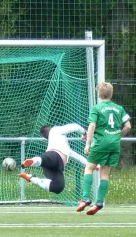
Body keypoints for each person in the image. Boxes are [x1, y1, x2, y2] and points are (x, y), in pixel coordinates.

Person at [76, 82, 131, 215]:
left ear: (99, 94)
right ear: (111, 94)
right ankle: (99, 202)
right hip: (114, 144)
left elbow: (92, 126)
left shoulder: (97, 108)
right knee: (105, 174)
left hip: (101, 143)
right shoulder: (119, 108)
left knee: (89, 168)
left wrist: (88, 143)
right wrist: (117, 136)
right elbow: (128, 126)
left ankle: (86, 198)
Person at [18, 123, 90, 194]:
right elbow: (75, 127)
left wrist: (91, 165)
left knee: (58, 187)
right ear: (50, 129)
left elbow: (78, 157)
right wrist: (85, 133)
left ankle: (31, 176)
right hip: (55, 157)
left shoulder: (64, 147)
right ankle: (34, 161)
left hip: (54, 167)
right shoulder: (55, 130)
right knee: (50, 158)